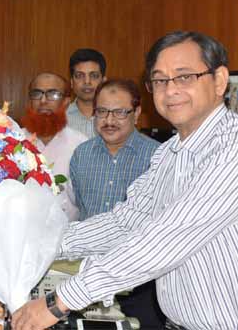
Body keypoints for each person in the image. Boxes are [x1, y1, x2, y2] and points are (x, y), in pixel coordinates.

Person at [12, 31, 238, 330]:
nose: (170, 90)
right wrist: (37, 244)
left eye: (184, 77)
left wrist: (61, 302)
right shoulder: (170, 153)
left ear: (220, 80)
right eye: (160, 80)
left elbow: (167, 237)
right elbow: (125, 222)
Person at [69, 79, 163, 327]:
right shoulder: (81, 155)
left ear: (137, 113)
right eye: (102, 111)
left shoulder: (159, 157)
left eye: (120, 112)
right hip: (89, 279)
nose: (109, 120)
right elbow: (82, 210)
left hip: (142, 282)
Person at [20, 72, 87, 221]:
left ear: (66, 102)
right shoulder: (13, 141)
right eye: (37, 94)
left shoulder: (81, 145)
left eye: (53, 94)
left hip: (68, 235)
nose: (43, 100)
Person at [67, 48, 107, 138]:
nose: (87, 81)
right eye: (79, 76)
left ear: (103, 82)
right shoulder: (60, 119)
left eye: (94, 76)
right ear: (72, 82)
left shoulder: (116, 118)